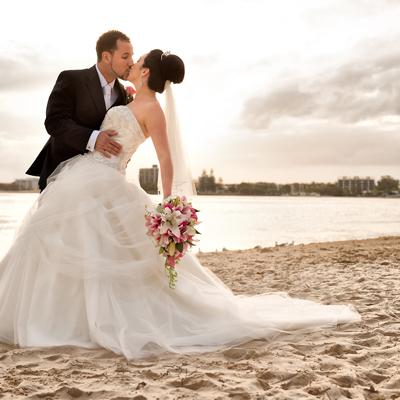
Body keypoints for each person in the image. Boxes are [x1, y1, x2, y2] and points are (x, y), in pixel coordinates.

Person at [0, 49, 361, 360]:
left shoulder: (153, 109)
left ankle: (81, 321)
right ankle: (59, 315)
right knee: (59, 239)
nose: (133, 62)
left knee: (99, 254)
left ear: (144, 71)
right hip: (84, 175)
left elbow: (165, 160)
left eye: (137, 59)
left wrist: (168, 205)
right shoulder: (126, 98)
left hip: (108, 180)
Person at [25, 30, 134, 191]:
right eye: (125, 56)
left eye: (132, 56)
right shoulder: (71, 79)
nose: (131, 62)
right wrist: (93, 138)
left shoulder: (124, 95)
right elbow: (55, 122)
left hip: (101, 184)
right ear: (106, 57)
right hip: (60, 177)